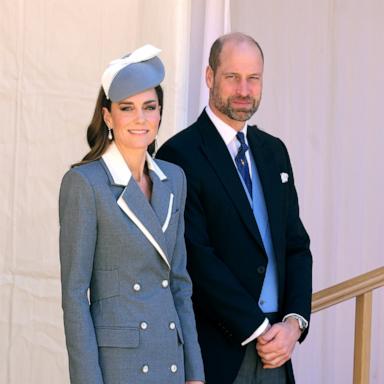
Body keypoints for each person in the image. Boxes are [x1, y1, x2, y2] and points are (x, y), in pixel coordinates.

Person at [156, 33, 313, 384]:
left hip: (277, 349)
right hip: (217, 351)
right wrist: (257, 328)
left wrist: (293, 323)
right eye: (232, 77)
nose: (244, 89)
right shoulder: (178, 155)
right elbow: (195, 256)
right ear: (210, 77)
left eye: (253, 78)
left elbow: (296, 246)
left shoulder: (274, 152)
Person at [59, 44, 205, 384]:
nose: (141, 119)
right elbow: (75, 296)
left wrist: (194, 372)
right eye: (128, 108)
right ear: (109, 117)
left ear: (159, 114)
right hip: (119, 369)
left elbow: (180, 283)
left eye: (149, 107)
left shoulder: (174, 180)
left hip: (170, 358)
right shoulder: (85, 183)